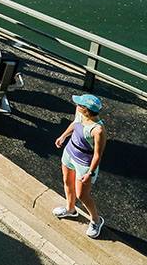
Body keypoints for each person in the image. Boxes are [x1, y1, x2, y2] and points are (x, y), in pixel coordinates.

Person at [53, 93, 107, 239]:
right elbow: (75, 124)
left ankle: (96, 220)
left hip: (84, 163)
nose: (76, 105)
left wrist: (90, 172)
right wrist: (63, 136)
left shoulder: (98, 130)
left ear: (86, 110)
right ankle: (70, 209)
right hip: (69, 153)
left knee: (82, 195)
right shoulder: (79, 113)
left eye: (80, 104)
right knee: (66, 181)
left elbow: (97, 155)